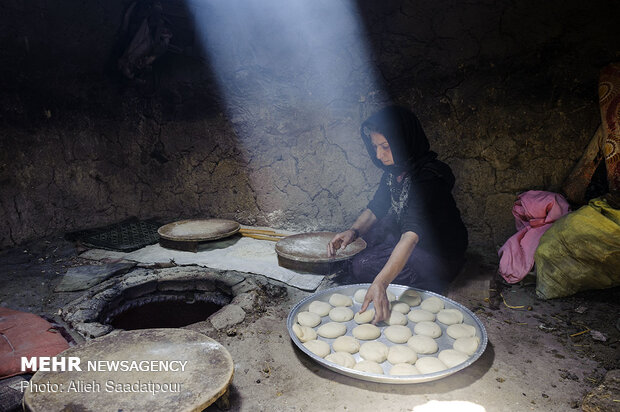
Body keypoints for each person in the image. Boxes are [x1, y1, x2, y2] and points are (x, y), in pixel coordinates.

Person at [327, 106, 468, 323]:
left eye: (385, 146)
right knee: (364, 241)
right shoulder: (395, 171)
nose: (379, 155)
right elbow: (376, 208)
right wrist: (353, 232)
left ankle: (429, 282)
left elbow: (411, 235)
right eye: (375, 147)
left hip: (439, 254)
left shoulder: (428, 180)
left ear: (404, 142)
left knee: (362, 265)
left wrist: (381, 283)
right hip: (414, 240)